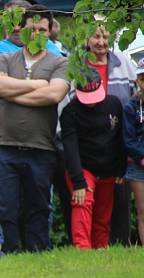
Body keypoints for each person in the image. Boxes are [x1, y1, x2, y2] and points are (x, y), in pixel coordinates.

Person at [0, 5, 69, 253]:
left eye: (42, 30)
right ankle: (7, 257)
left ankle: (37, 256)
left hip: (41, 147)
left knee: (38, 208)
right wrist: (36, 84)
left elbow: (53, 94)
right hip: (4, 146)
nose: (37, 35)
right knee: (4, 208)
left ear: (50, 31)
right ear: (22, 30)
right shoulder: (4, 58)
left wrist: (10, 93)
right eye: (32, 29)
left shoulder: (60, 63)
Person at [81, 26, 137, 245]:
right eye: (96, 36)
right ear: (86, 39)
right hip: (87, 147)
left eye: (105, 36)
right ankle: (86, 247)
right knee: (87, 203)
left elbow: (135, 98)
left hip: (119, 145)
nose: (101, 42)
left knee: (119, 201)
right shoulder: (77, 66)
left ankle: (121, 244)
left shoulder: (123, 63)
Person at [60, 68, 127, 250]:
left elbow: (120, 137)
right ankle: (82, 247)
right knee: (82, 200)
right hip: (83, 166)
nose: (91, 104)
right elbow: (70, 148)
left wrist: (121, 166)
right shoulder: (70, 112)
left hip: (109, 168)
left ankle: (100, 248)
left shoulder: (114, 104)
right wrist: (78, 181)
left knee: (103, 213)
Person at [0, 0, 64, 69]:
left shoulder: (45, 43)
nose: (16, 28)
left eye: (20, 22)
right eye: (11, 23)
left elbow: (60, 71)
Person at [122, 59, 144, 245]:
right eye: (143, 78)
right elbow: (128, 139)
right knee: (142, 210)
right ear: (137, 80)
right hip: (138, 165)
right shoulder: (131, 107)